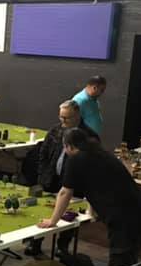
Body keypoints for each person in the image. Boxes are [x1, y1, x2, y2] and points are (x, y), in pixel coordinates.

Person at [38, 128, 141, 266]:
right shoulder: (102, 154)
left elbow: (65, 192)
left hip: (126, 221)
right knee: (127, 265)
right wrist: (91, 212)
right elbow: (96, 184)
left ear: (69, 146)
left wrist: (52, 221)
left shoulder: (76, 159)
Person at [25, 100, 99, 256]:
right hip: (50, 179)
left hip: (74, 184)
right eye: (61, 117)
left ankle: (62, 247)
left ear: (77, 115)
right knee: (42, 210)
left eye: (67, 118)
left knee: (70, 215)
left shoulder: (89, 136)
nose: (63, 121)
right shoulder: (55, 130)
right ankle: (35, 243)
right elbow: (43, 153)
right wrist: (42, 175)